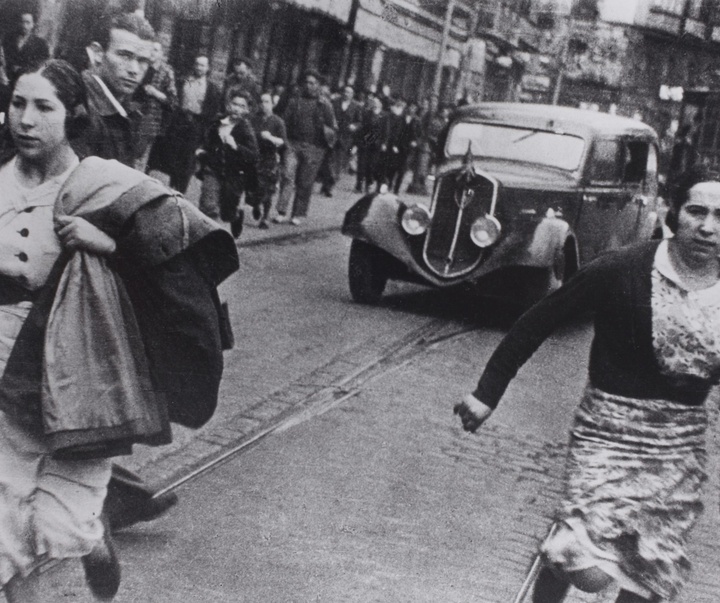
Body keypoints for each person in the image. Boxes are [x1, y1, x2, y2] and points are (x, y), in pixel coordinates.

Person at [0, 58, 237, 602]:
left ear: (74, 114)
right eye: (18, 103)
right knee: (6, 524)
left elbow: (178, 251)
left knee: (65, 525)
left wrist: (108, 244)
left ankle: (94, 535)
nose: (26, 120)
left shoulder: (103, 184)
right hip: (4, 367)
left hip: (79, 371)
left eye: (43, 107)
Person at [454, 166, 720, 603]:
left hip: (678, 447)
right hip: (608, 433)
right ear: (675, 213)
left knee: (649, 569)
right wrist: (487, 393)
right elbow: (539, 319)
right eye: (696, 211)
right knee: (578, 560)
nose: (708, 227)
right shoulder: (623, 269)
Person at [81, 12, 181, 532]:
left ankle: (111, 497)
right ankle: (106, 502)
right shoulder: (85, 112)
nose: (134, 68)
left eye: (143, 60)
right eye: (124, 55)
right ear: (98, 53)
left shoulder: (125, 112)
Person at [275, 70, 336, 226]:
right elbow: (284, 122)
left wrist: (324, 137)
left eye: (313, 83)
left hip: (314, 147)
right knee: (288, 176)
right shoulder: (294, 101)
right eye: (307, 82)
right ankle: (281, 211)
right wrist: (284, 141)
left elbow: (333, 126)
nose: (309, 86)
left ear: (319, 86)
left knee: (305, 181)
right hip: (293, 144)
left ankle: (297, 213)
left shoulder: (325, 104)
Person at [196, 88, 259, 238]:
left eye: (242, 106)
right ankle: (206, 240)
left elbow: (254, 155)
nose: (237, 109)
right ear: (229, 105)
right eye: (235, 104)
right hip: (213, 170)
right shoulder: (218, 122)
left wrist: (236, 146)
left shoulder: (246, 129)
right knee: (208, 206)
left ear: (247, 110)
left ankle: (237, 215)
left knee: (227, 213)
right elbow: (208, 138)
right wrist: (202, 149)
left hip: (233, 176)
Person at [165, 55, 222, 193]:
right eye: (197, 64)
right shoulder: (185, 81)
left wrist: (203, 128)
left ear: (207, 68)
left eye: (202, 65)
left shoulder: (211, 88)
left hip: (196, 125)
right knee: (174, 155)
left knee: (188, 158)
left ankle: (181, 189)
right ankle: (172, 185)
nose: (199, 68)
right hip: (180, 122)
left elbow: (212, 112)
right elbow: (175, 100)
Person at [134, 38, 178, 173]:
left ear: (161, 54)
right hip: (132, 113)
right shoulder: (140, 64)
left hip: (149, 119)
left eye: (156, 50)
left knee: (139, 158)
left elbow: (173, 101)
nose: (152, 52)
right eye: (151, 48)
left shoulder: (166, 71)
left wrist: (155, 93)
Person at [248, 91, 286, 229]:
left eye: (267, 102)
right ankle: (256, 204)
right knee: (254, 188)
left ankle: (265, 217)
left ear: (272, 104)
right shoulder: (254, 119)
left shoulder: (277, 121)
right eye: (261, 102)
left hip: (269, 159)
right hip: (255, 158)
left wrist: (270, 137)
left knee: (268, 189)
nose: (263, 105)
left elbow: (283, 142)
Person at [322, 84, 362, 197]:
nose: (346, 94)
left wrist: (354, 126)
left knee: (339, 162)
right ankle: (326, 182)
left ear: (352, 95)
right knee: (328, 160)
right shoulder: (335, 102)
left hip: (346, 138)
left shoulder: (356, 106)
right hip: (332, 135)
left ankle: (330, 185)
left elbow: (359, 122)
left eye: (349, 92)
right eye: (345, 91)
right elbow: (327, 115)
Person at [2, 12, 49, 85]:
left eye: (28, 22)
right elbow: (4, 58)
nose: (24, 25)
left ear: (33, 24)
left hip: (27, 81)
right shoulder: (9, 39)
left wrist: (21, 70)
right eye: (22, 22)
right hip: (8, 80)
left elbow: (42, 64)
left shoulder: (41, 43)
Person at [355, 94, 386, 193]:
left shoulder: (384, 116)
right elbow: (362, 128)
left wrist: (384, 143)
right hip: (365, 142)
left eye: (377, 102)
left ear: (381, 104)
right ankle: (359, 185)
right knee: (361, 165)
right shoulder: (366, 113)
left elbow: (386, 131)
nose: (374, 104)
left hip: (376, 145)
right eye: (373, 102)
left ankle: (368, 184)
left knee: (371, 166)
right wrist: (359, 141)